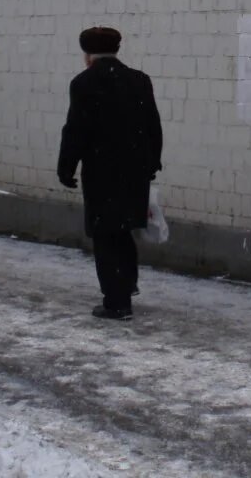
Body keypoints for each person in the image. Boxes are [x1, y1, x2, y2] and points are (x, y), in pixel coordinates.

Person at [58, 26, 163, 320]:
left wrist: (66, 167)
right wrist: (152, 163)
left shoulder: (83, 83)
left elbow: (75, 130)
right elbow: (153, 125)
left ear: (87, 55)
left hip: (101, 170)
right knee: (124, 229)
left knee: (105, 235)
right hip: (134, 169)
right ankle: (127, 284)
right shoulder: (139, 80)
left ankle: (116, 302)